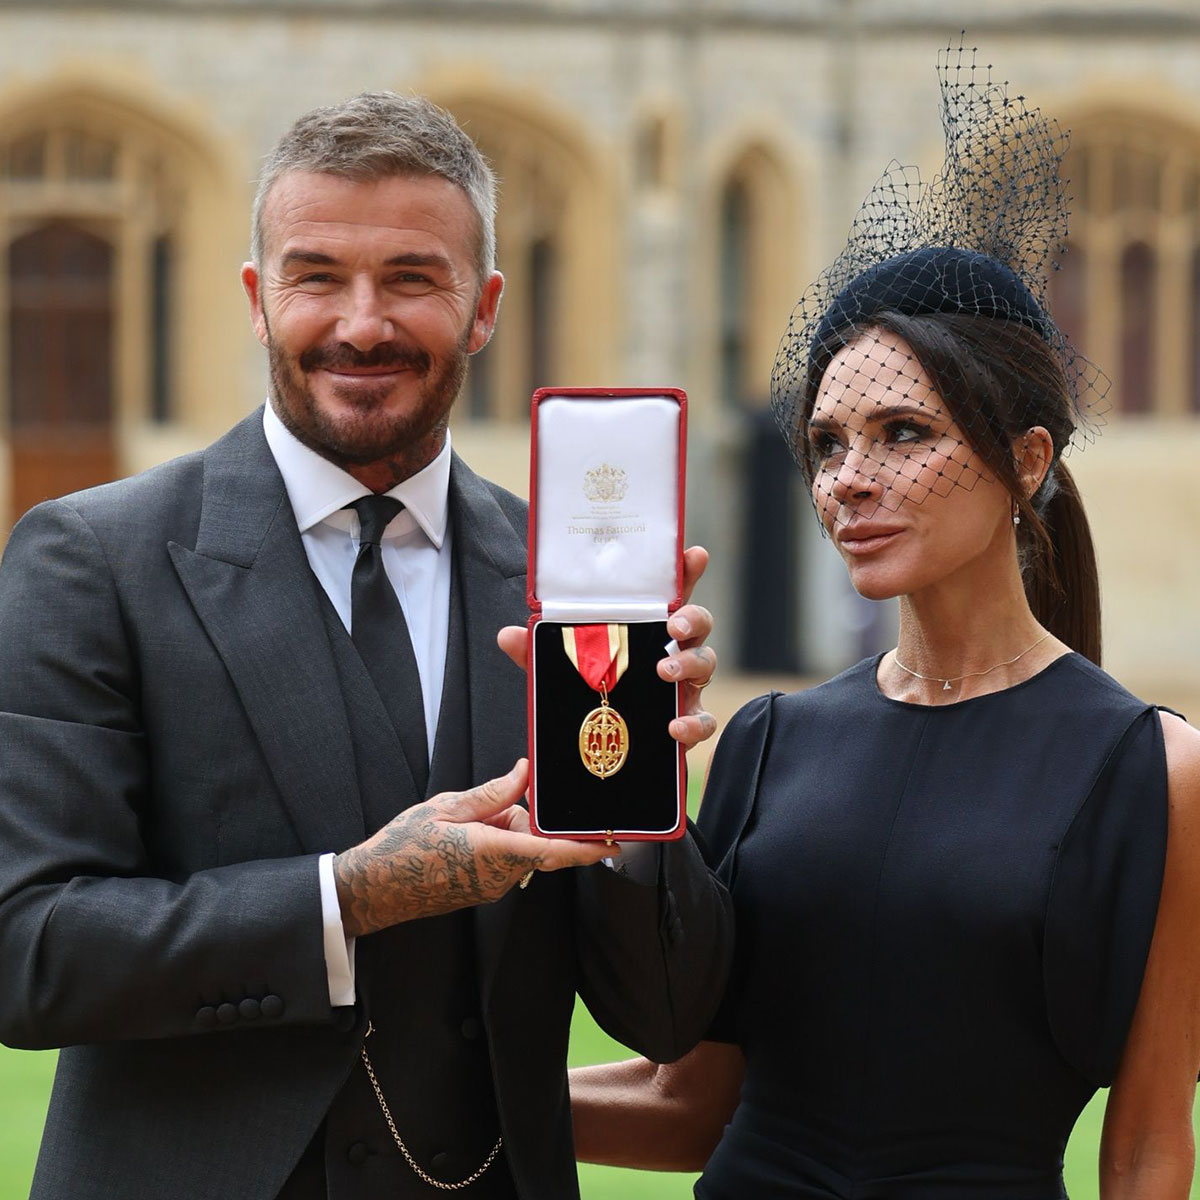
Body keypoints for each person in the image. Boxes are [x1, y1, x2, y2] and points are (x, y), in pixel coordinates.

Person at [0, 92, 733, 1200]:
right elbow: (30, 951)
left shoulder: (570, 589)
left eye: (410, 278)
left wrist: (639, 804)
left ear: (484, 308)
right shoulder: (91, 559)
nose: (361, 324)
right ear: (258, 300)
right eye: (316, 276)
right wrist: (344, 899)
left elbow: (669, 1016)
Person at [570, 42, 1200, 1199]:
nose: (848, 480)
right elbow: (690, 1107)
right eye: (826, 444)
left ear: (1027, 460)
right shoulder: (766, 743)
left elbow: (1150, 1145)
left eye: (903, 434)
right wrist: (414, 1086)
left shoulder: (1158, 772)